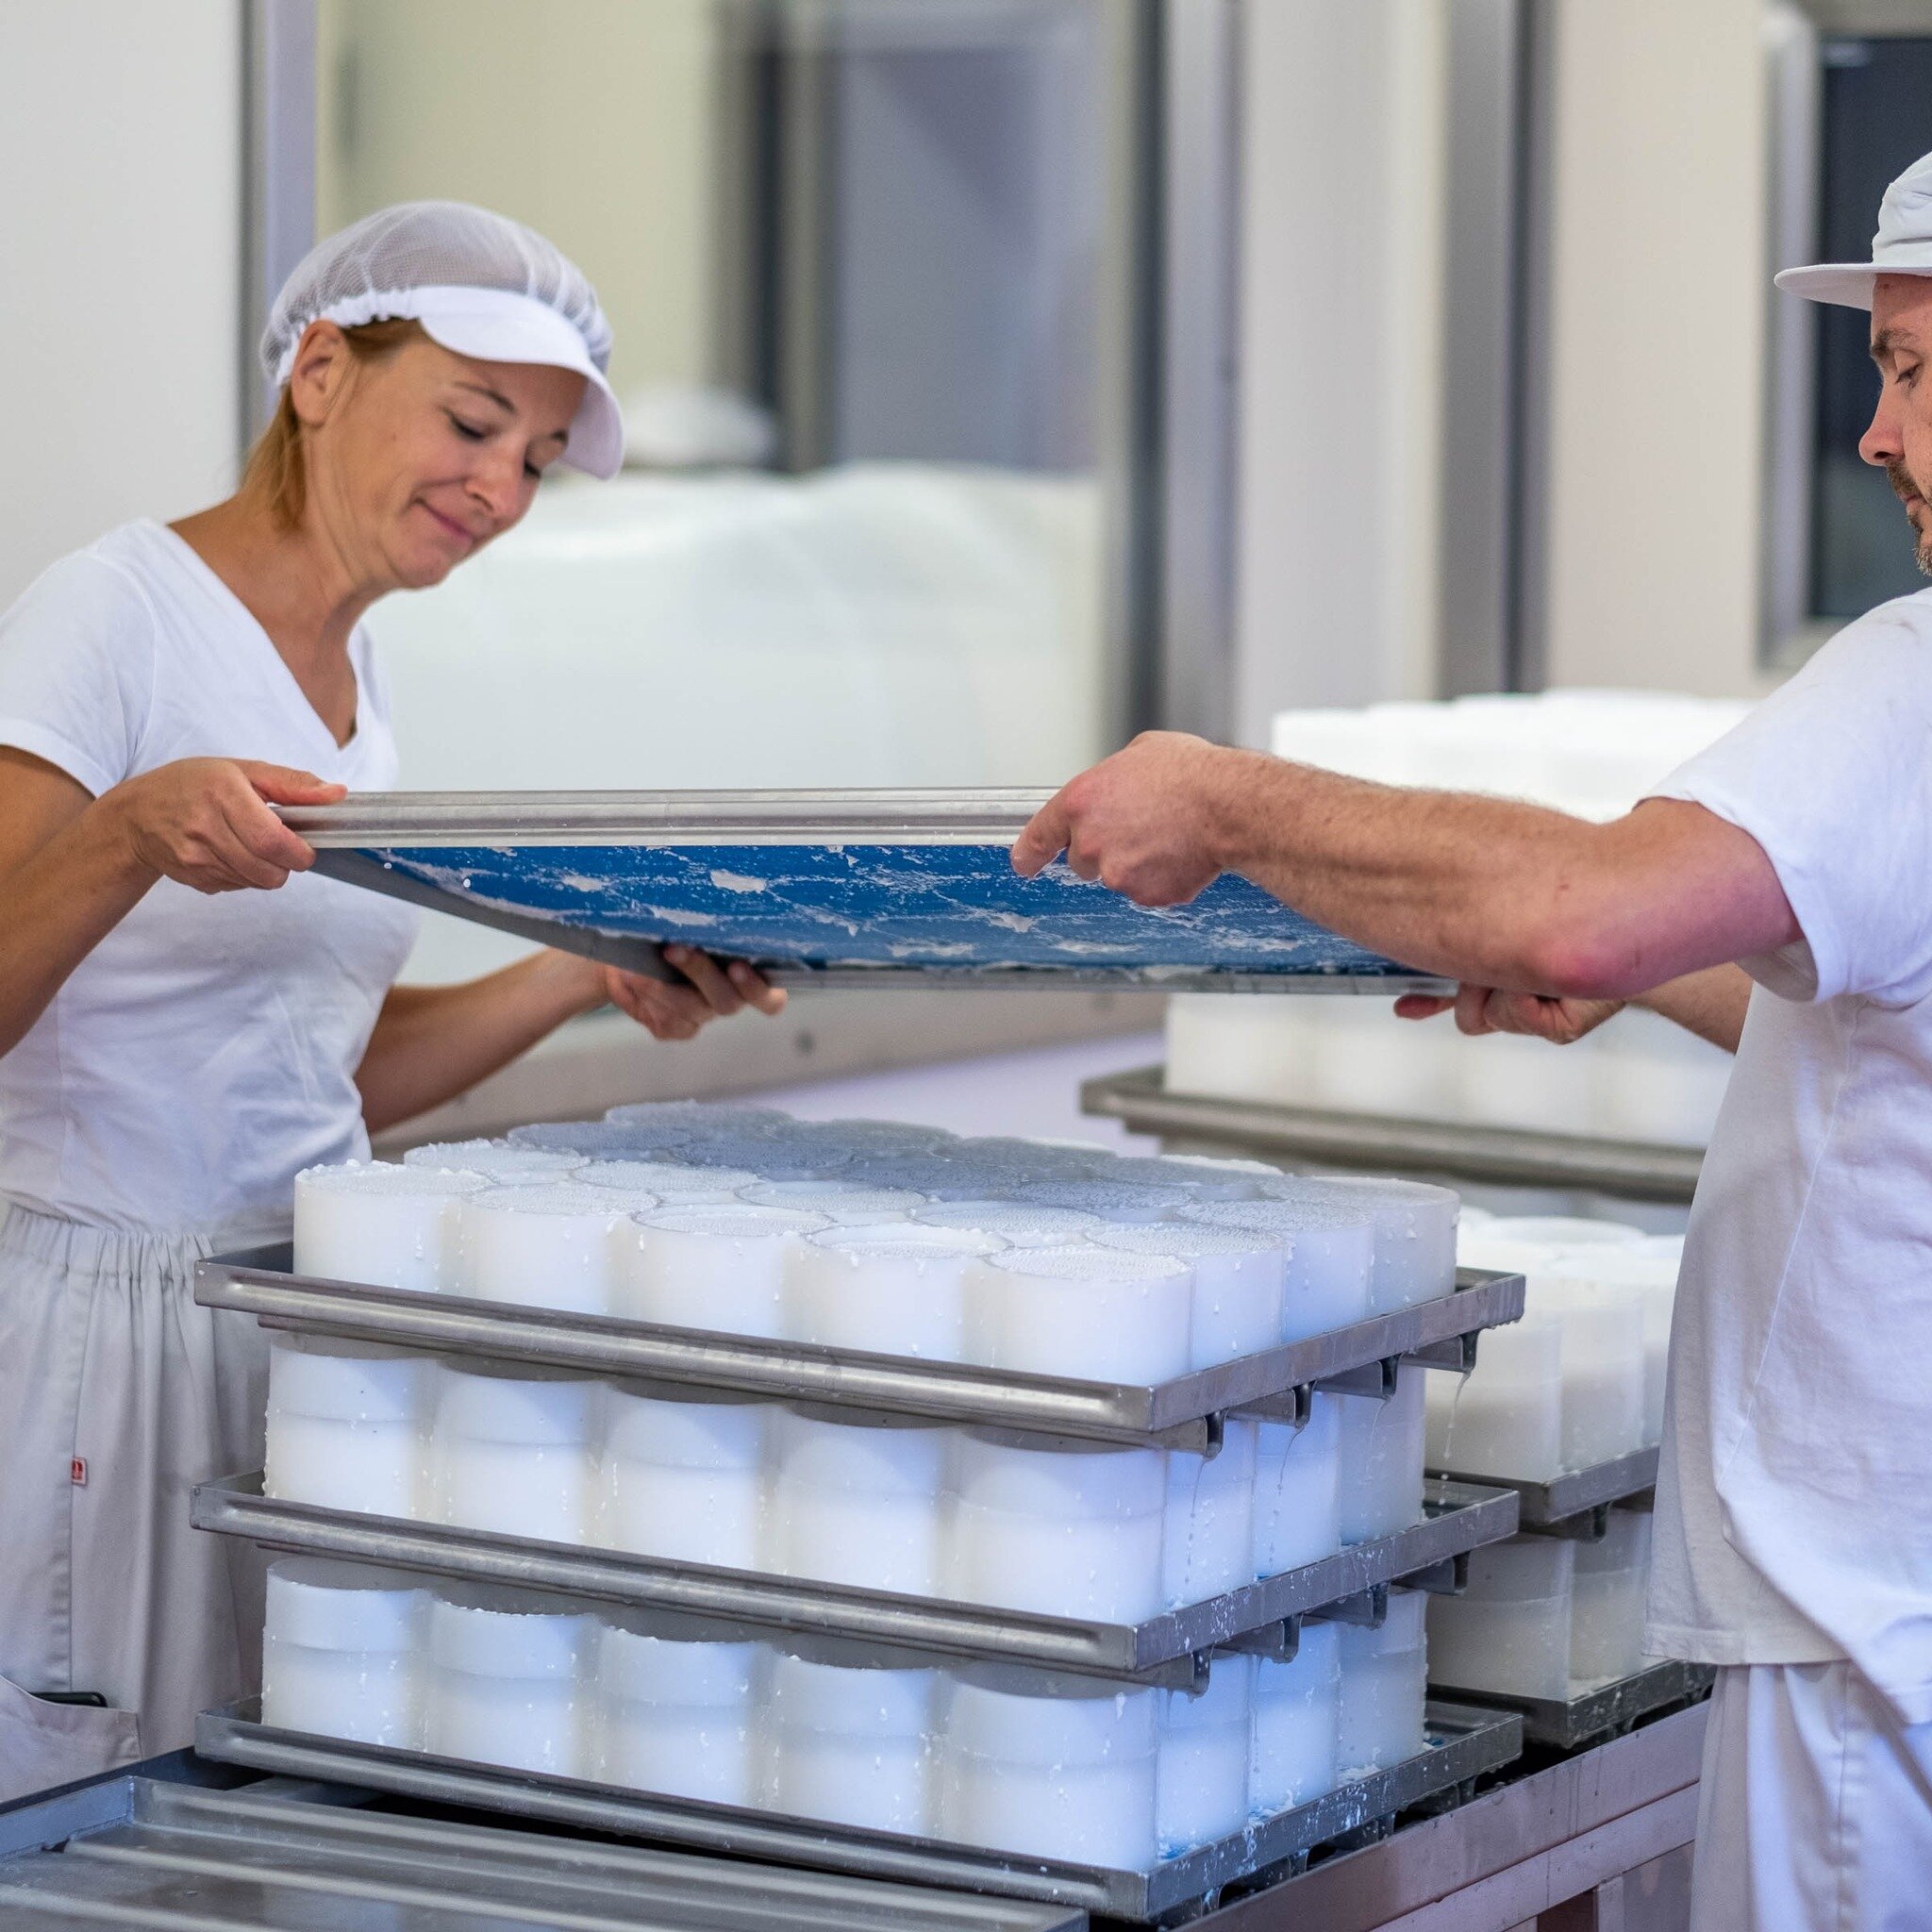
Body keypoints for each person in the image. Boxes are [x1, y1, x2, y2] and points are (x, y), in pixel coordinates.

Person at [1014, 151, 1932, 1924]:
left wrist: (1220, 800)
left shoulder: (1915, 683)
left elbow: (1574, 905)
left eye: (1908, 366)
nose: (1879, 437)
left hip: (1876, 1637)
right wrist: (1654, 973)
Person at [0, 201, 785, 1798]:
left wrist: (579, 968)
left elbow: (316, 1081)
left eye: (538, 460)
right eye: (474, 419)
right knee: (95, 1813)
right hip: (94, 1343)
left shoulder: (360, 706)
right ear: (317, 374)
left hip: (291, 1310)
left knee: (262, 1808)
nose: (500, 489)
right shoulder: (114, 617)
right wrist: (134, 826)